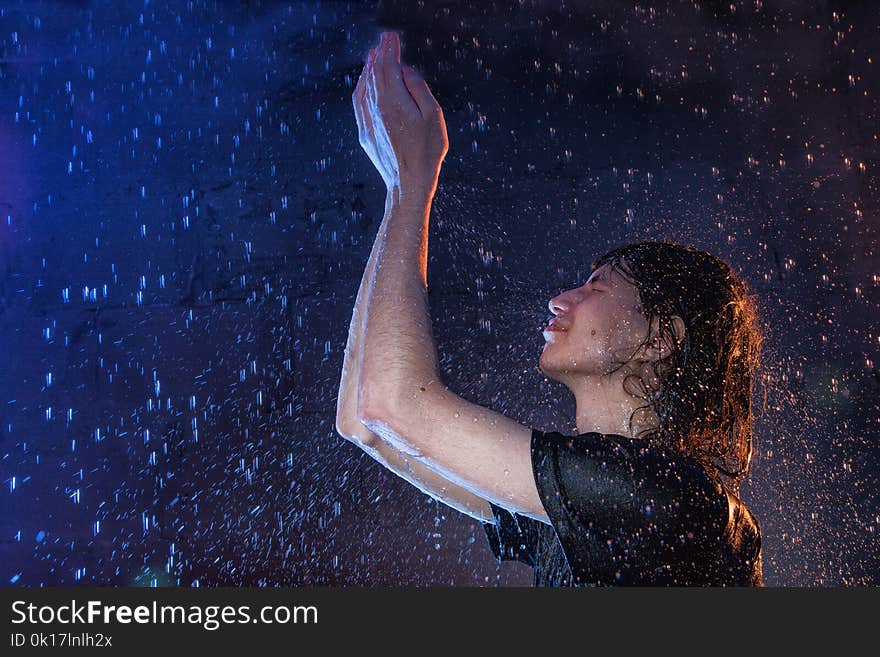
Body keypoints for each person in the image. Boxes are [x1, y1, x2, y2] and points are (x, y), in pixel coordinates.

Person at [336, 31, 764, 586]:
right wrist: (398, 185)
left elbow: (390, 406)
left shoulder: (663, 496)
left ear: (660, 338)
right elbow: (364, 421)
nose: (561, 299)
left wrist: (412, 184)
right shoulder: (588, 507)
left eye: (598, 289)